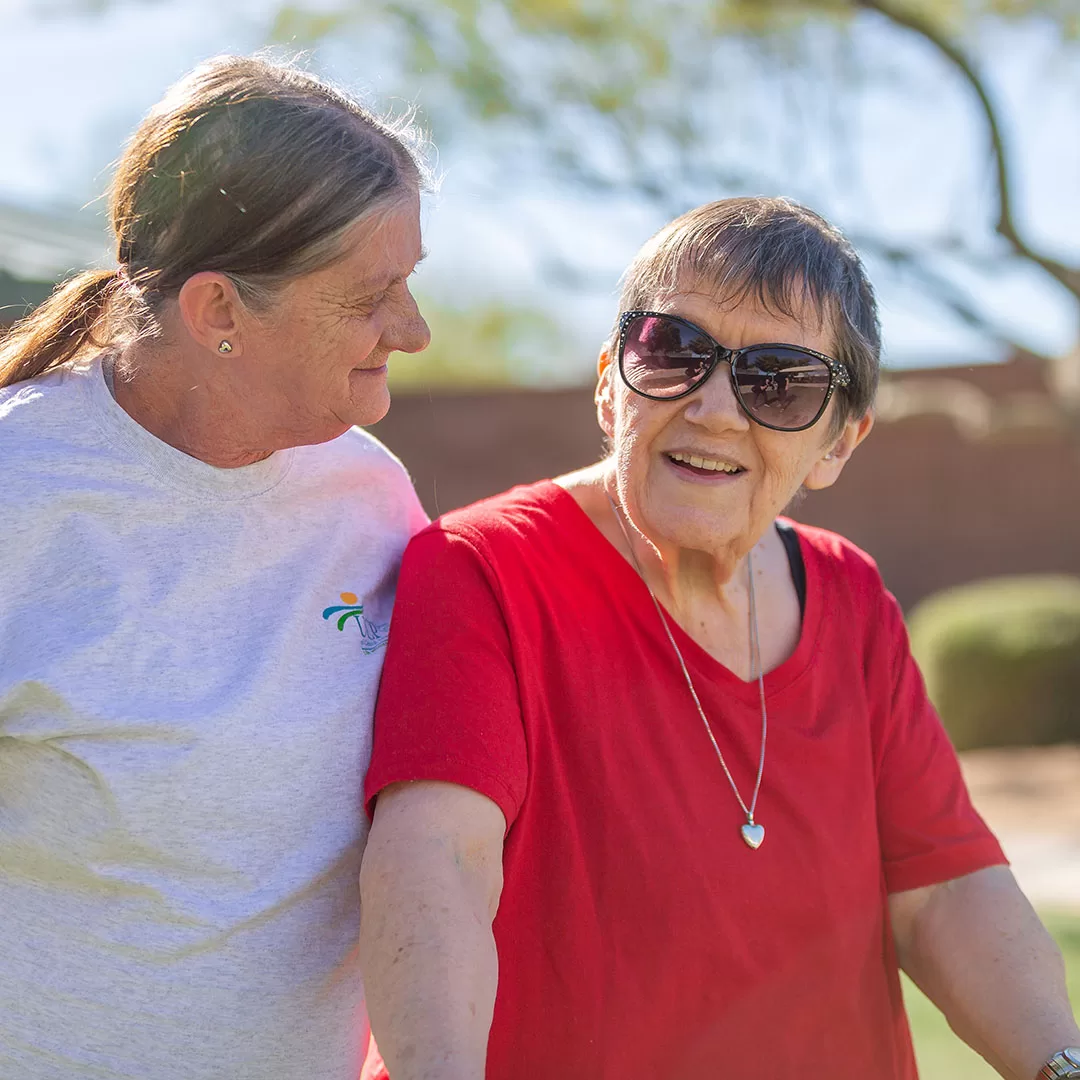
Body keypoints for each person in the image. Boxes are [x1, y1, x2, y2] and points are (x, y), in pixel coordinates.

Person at [359, 198, 1080, 1080]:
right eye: (674, 352)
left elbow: (947, 891)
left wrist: (1061, 1064)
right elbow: (441, 863)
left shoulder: (850, 597)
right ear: (607, 381)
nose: (714, 409)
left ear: (839, 444)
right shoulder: (482, 570)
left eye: (778, 382)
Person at [0, 56, 430, 1080]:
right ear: (219, 314)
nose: (414, 331)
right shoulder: (21, 495)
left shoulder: (373, 501)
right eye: (373, 296)